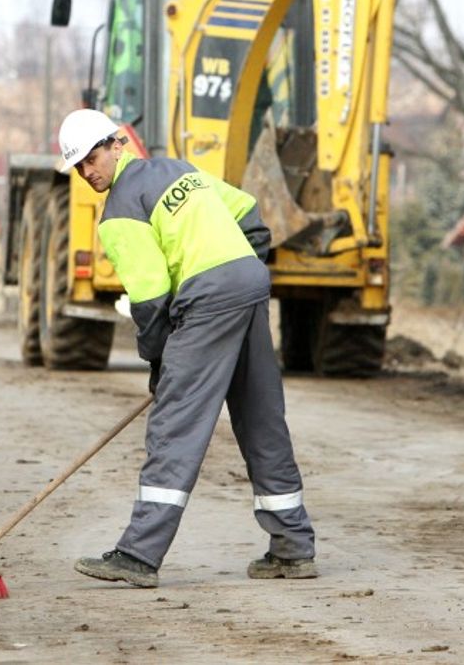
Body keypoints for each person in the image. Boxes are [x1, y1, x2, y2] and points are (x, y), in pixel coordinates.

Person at [57, 108, 316, 588]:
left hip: (208, 299)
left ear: (118, 145)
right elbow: (250, 214)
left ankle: (138, 555)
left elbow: (151, 297)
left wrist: (159, 361)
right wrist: (241, 272)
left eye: (92, 158)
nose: (88, 172)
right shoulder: (180, 170)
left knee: (175, 425)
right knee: (261, 416)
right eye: (79, 167)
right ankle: (293, 548)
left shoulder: (118, 214)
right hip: (249, 286)